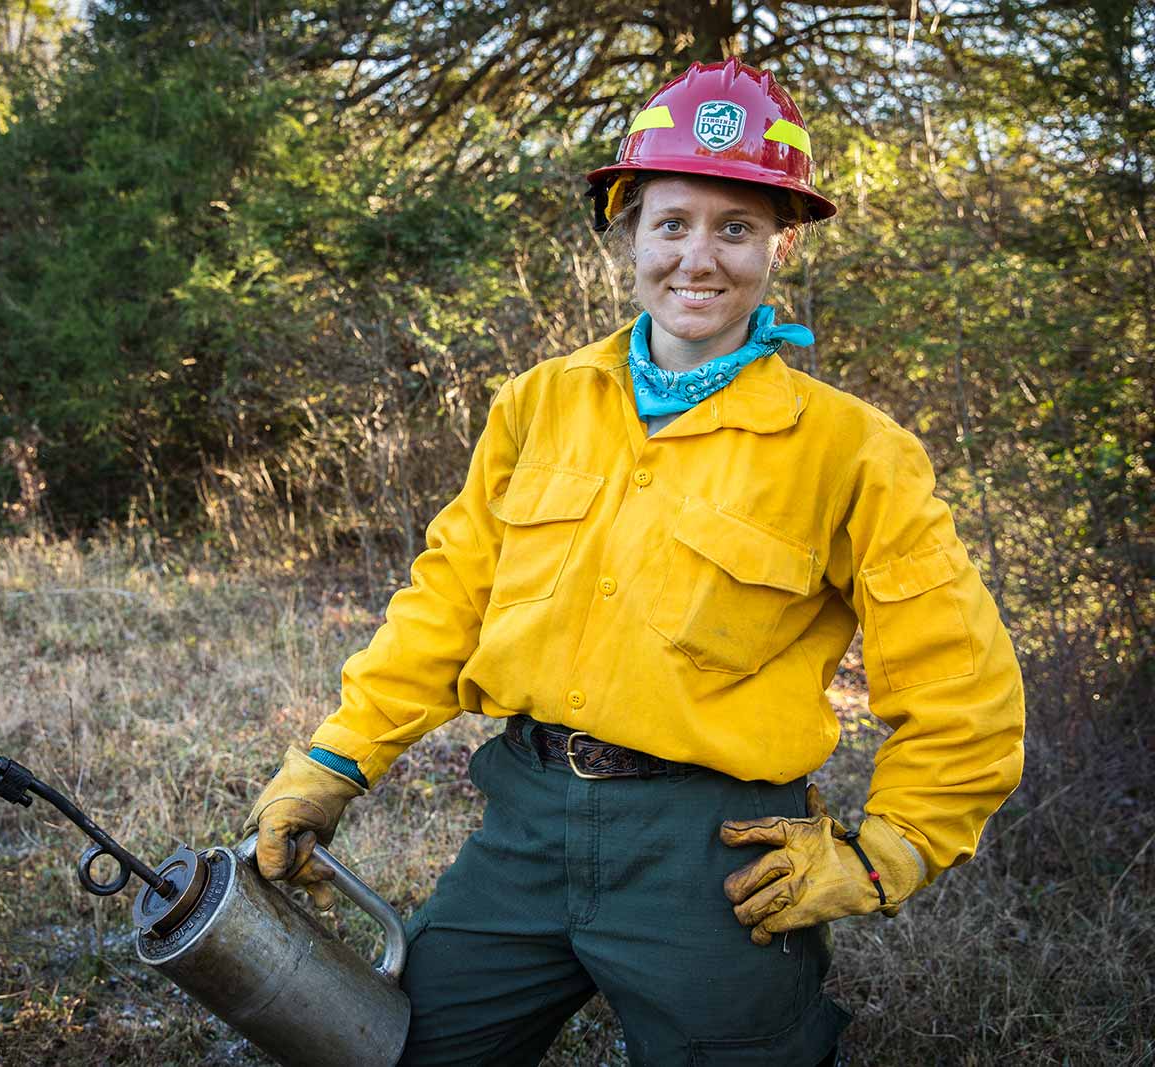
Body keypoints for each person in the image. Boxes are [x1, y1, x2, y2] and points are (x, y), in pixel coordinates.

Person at [244, 58, 1024, 1067]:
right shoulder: (537, 403)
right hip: (522, 826)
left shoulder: (854, 451)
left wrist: (887, 852)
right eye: (671, 222)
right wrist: (333, 760)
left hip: (717, 860)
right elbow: (448, 600)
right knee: (404, 1050)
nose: (698, 257)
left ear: (782, 244)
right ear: (627, 230)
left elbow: (962, 685)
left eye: (735, 227)